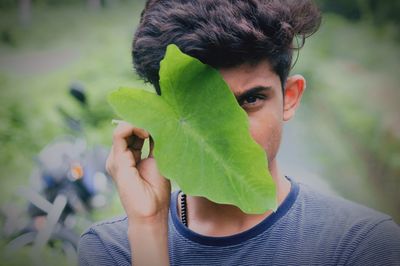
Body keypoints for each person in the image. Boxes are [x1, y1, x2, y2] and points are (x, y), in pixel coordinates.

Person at [78, 0, 400, 265]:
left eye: (250, 100)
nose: (227, 131)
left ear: (290, 98)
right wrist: (148, 229)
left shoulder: (360, 245)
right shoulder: (115, 249)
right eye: (201, 110)